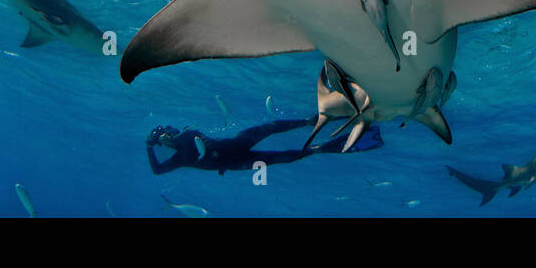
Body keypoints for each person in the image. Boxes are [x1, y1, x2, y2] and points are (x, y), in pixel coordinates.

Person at [146, 118, 382, 174]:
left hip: (235, 144)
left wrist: (202, 143)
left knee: (267, 128)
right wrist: (149, 148)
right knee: (280, 157)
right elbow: (157, 170)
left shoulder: (188, 134)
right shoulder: (178, 159)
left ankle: (312, 120)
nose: (165, 138)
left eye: (166, 133)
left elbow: (195, 133)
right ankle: (320, 148)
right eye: (161, 139)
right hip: (235, 162)